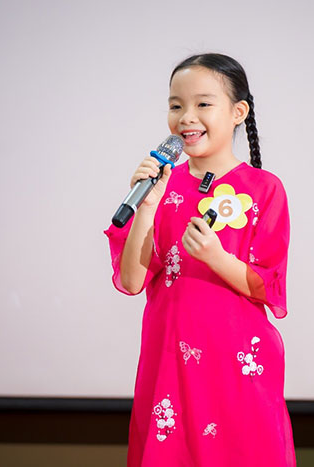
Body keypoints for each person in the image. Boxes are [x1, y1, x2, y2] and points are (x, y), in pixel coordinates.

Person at [104, 53, 295, 466]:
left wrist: (215, 257)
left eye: (203, 104)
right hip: (170, 359)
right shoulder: (160, 186)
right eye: (176, 105)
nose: (186, 117)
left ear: (238, 112)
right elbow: (132, 280)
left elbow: (269, 286)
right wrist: (147, 206)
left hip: (237, 362)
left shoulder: (264, 189)